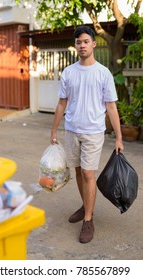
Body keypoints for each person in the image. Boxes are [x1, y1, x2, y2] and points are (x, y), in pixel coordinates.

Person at [50, 25, 124, 244]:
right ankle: (85, 206)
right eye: (78, 42)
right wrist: (54, 130)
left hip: (93, 132)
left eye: (85, 41)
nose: (81, 45)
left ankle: (88, 220)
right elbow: (62, 103)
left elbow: (111, 107)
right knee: (79, 172)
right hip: (72, 130)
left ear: (93, 43)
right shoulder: (69, 72)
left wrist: (119, 138)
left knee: (89, 174)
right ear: (75, 46)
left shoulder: (103, 73)